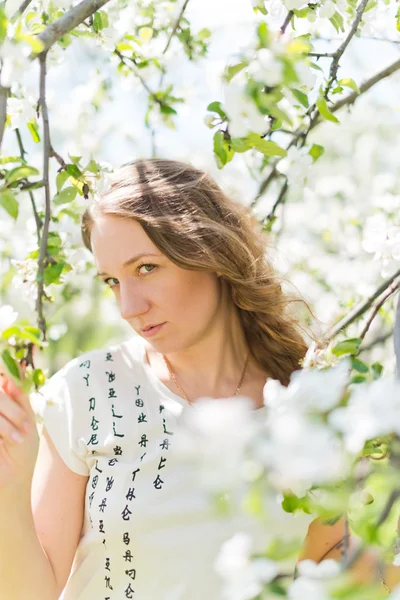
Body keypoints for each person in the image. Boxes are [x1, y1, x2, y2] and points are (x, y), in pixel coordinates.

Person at [0, 158, 314, 599]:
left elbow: (344, 577)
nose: (128, 306)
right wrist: (8, 492)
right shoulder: (85, 392)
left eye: (146, 268)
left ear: (211, 254)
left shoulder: (310, 407)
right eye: (112, 281)